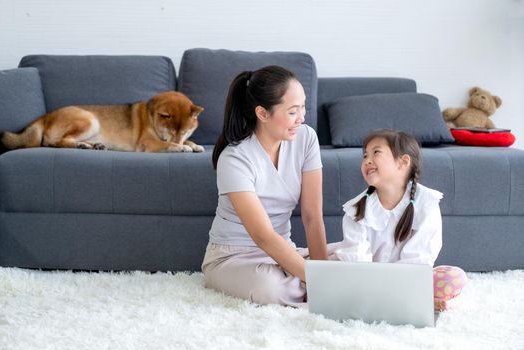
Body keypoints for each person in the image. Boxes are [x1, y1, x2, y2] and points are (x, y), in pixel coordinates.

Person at [201, 65, 328, 307]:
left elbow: (313, 216)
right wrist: (319, 282)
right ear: (262, 113)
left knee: (350, 258)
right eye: (292, 111)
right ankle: (297, 280)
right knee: (269, 289)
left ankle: (299, 278)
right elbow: (263, 236)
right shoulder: (235, 158)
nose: (301, 118)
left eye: (303, 107)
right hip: (233, 256)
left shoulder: (306, 138)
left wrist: (323, 274)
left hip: (284, 250)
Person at [334, 129, 468, 311]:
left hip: (408, 281)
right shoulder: (356, 209)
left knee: (454, 277)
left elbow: (418, 261)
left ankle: (407, 300)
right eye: (365, 155)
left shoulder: (426, 203)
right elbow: (357, 265)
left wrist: (404, 290)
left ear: (403, 162)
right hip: (367, 283)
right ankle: (399, 301)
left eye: (376, 153)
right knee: (333, 276)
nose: (367, 160)